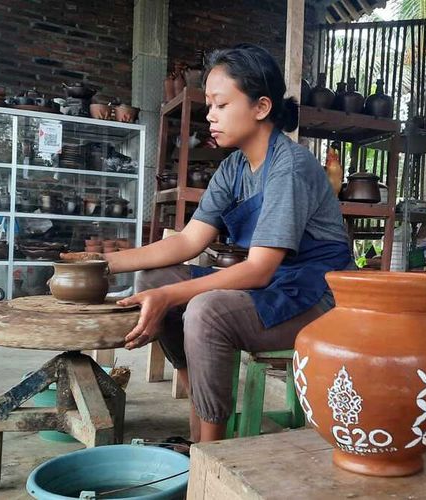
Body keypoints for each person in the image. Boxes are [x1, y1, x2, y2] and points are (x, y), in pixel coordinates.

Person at [61, 43, 352, 446]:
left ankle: (210, 453)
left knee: (205, 310)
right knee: (157, 275)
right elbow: (188, 241)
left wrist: (170, 296)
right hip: (273, 289)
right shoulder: (233, 167)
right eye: (209, 105)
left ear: (261, 107)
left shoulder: (290, 166)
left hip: (316, 298)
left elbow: (258, 269)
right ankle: (199, 412)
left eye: (220, 104)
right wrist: (101, 264)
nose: (210, 116)